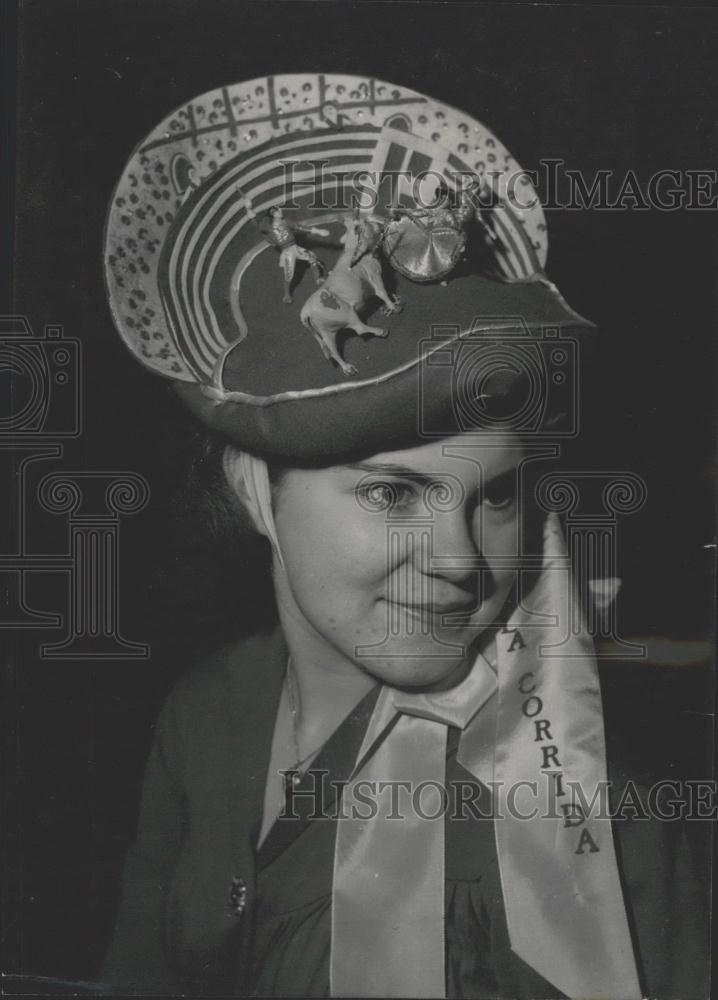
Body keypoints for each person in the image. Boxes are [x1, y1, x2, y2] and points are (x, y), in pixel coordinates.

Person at [100, 73, 709, 998]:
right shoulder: (209, 714)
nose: (462, 560)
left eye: (496, 496)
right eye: (392, 496)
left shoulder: (603, 785)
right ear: (258, 494)